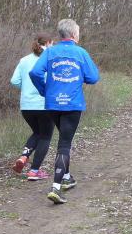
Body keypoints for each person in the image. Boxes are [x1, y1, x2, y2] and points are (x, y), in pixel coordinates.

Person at [29, 18, 100, 204]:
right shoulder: (80, 53)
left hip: (53, 104)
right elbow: (93, 77)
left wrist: (45, 90)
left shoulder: (50, 52)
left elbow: (35, 73)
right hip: (72, 104)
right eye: (78, 32)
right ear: (74, 34)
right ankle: (56, 187)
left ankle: (67, 176)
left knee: (64, 140)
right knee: (65, 144)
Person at [10, 34, 55, 180]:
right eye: (52, 43)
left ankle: (24, 157)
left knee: (37, 132)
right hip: (44, 105)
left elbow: (14, 81)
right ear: (48, 43)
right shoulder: (50, 60)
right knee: (45, 137)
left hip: (26, 106)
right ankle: (34, 171)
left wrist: (26, 88)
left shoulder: (24, 60)